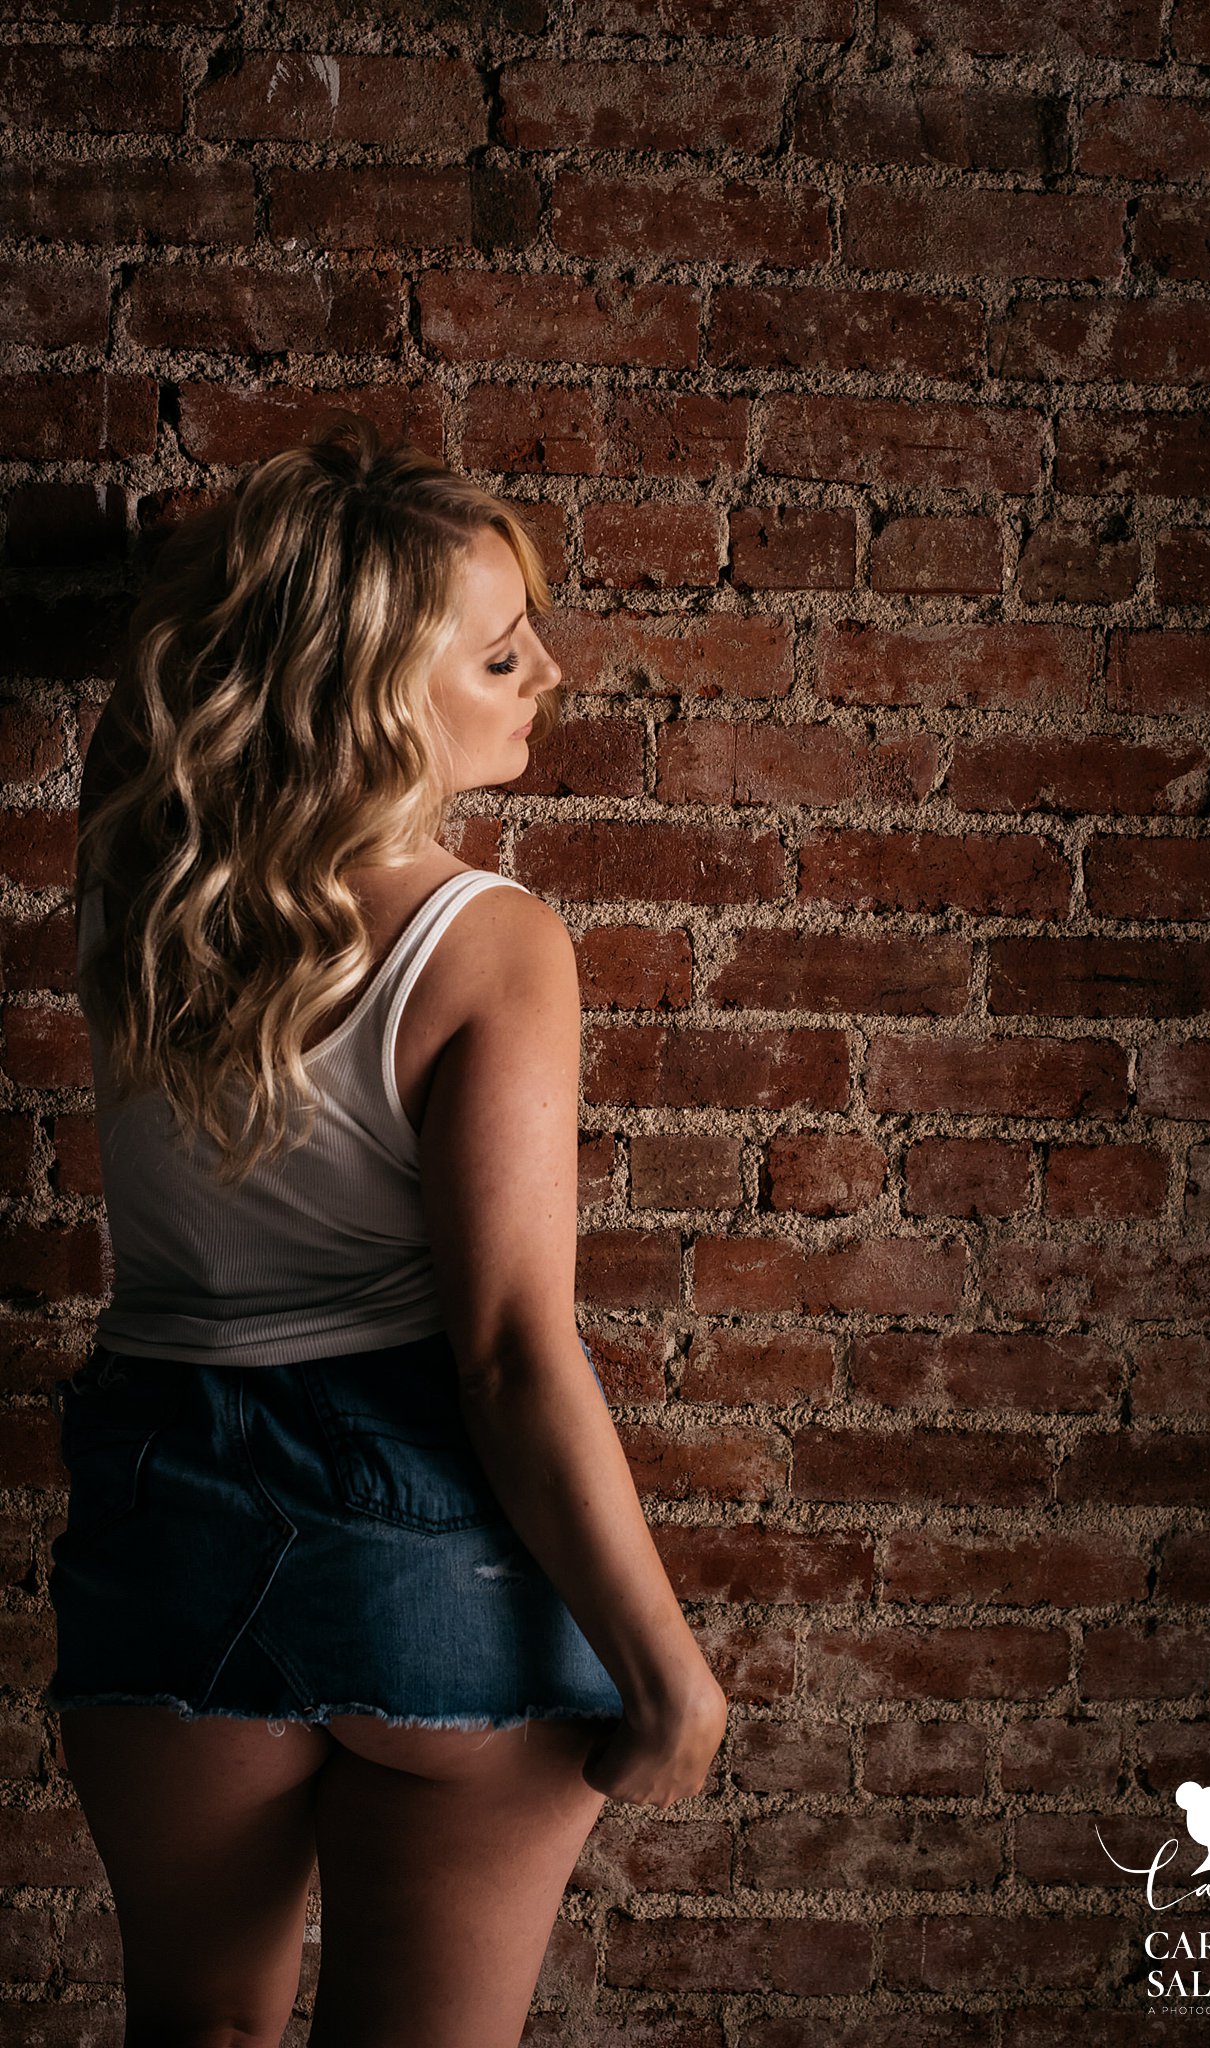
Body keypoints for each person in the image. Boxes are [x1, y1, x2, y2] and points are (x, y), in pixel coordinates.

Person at [42, 411, 729, 2047]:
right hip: (426, 1530)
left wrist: (254, 573)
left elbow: (180, 662)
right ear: (369, 700)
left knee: (198, 2030)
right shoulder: (489, 945)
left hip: (167, 1508)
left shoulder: (137, 866)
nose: (550, 674)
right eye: (499, 658)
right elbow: (504, 1353)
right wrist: (669, 1669)